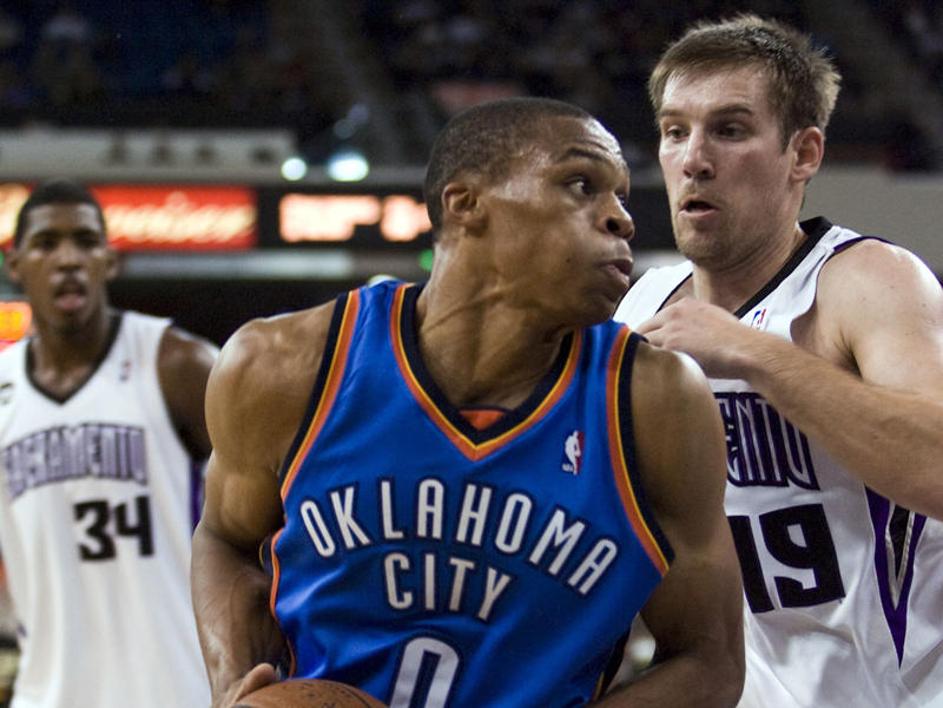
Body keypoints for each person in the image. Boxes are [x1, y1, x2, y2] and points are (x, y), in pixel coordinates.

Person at [192, 96, 744, 707]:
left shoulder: (654, 402)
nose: (622, 219)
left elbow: (710, 660)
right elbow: (224, 539)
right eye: (581, 185)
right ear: (465, 204)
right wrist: (234, 684)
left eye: (620, 197)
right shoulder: (286, 365)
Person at [613, 15, 943, 708]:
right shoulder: (640, 305)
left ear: (803, 153)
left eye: (729, 130)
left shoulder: (867, 280)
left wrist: (750, 350)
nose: (693, 159)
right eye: (674, 131)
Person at [0, 178, 215, 707]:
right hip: (48, 694)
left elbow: (269, 510)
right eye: (46, 244)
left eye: (85, 241)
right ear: (15, 265)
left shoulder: (177, 365)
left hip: (177, 689)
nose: (68, 260)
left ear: (109, 261)